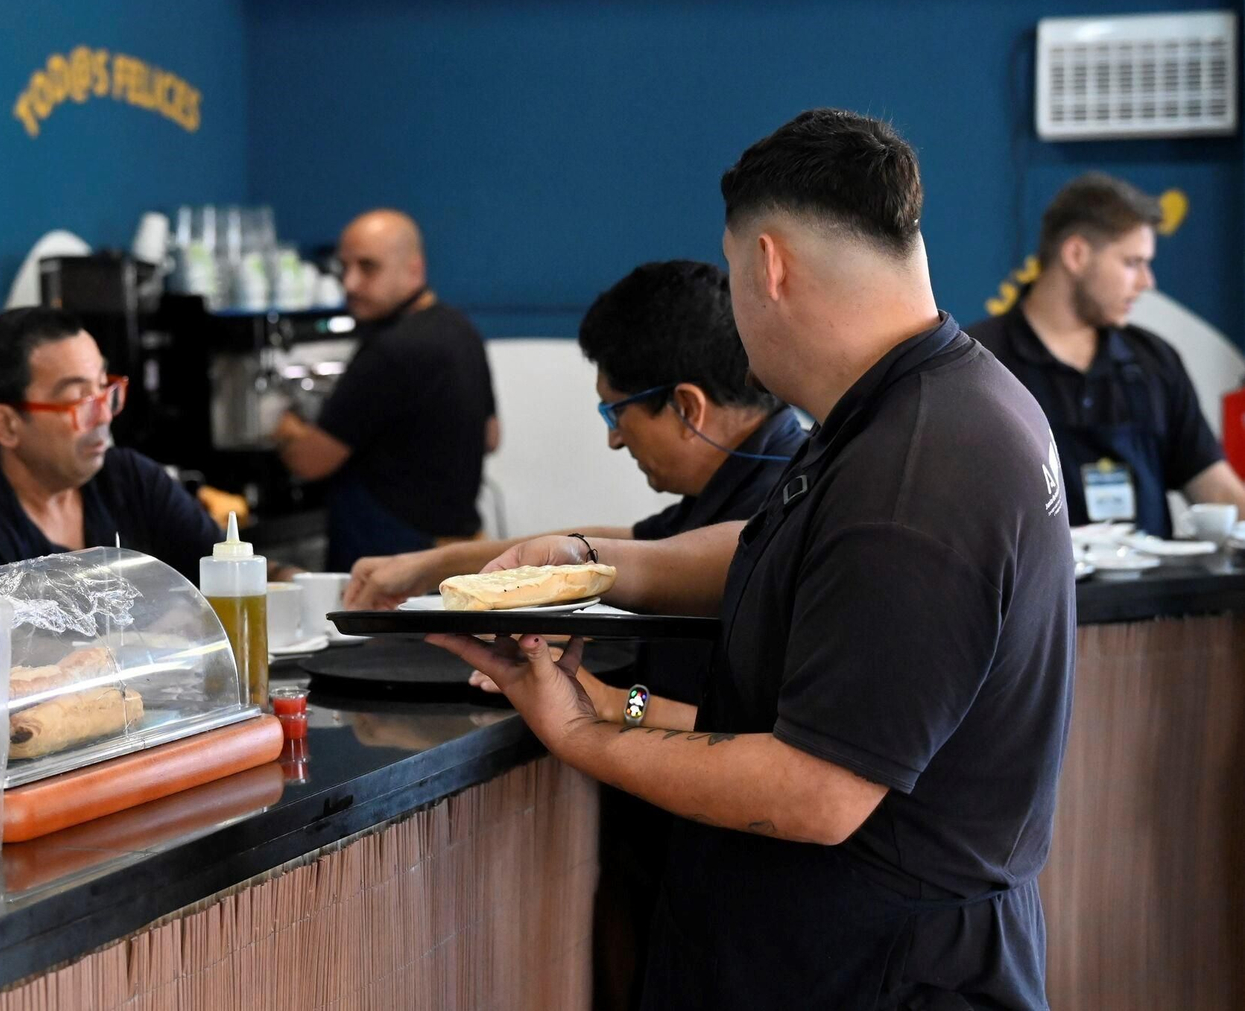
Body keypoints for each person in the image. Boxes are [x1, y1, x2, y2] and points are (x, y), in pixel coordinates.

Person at [432, 109, 1075, 1009]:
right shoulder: (921, 401)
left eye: (734, 277)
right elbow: (782, 547)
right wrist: (597, 563)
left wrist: (581, 730)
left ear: (768, 267)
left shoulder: (916, 475)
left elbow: (816, 793)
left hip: (878, 972)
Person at [345, 259, 805, 697]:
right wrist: (433, 564)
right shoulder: (738, 480)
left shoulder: (781, 509)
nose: (615, 441)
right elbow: (635, 547)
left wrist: (603, 701)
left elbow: (722, 723)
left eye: (616, 413)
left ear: (687, 408)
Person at [967, 172, 1245, 536]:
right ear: (1077, 254)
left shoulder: (1155, 361)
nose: (1147, 282)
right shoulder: (981, 363)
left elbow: (1215, 486)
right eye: (1133, 263)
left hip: (1150, 591)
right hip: (1042, 593)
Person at [0, 308, 223, 582]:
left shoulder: (129, 479)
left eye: (103, 388)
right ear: (5, 424)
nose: (103, 416)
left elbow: (228, 572)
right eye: (79, 399)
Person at [274, 210, 498, 571]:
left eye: (368, 267)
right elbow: (490, 436)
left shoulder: (390, 351)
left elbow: (310, 462)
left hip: (392, 559)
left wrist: (287, 431)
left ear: (414, 269)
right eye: (343, 267)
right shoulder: (461, 331)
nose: (349, 283)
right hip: (457, 548)